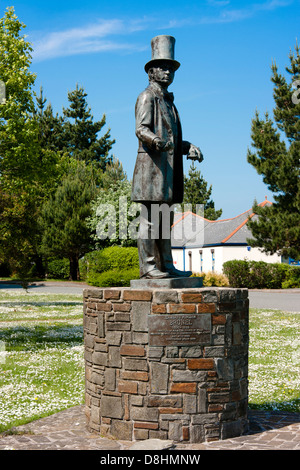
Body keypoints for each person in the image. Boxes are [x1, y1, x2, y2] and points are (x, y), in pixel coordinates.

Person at [131, 35, 203, 279]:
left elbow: (170, 137)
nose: (167, 72)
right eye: (162, 67)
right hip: (151, 170)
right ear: (150, 72)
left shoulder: (170, 102)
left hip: (167, 172)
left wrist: (186, 146)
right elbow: (141, 130)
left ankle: (167, 265)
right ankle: (149, 267)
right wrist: (156, 142)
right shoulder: (147, 96)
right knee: (151, 221)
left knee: (164, 221)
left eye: (171, 68)